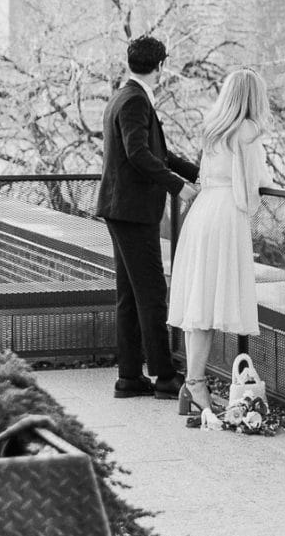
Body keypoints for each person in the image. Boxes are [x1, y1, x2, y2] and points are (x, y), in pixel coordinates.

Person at [94, 36, 200, 400]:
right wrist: (178, 186)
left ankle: (129, 377)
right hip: (133, 211)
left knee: (129, 293)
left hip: (120, 208)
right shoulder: (136, 101)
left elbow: (157, 151)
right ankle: (165, 376)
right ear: (160, 67)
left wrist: (194, 172)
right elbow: (138, 152)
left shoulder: (122, 97)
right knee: (152, 292)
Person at [167, 68, 273, 420]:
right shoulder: (248, 132)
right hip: (226, 216)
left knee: (200, 301)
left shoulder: (213, 130)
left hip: (202, 213)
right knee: (210, 303)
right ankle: (195, 383)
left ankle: (192, 383)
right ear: (253, 99)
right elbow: (255, 185)